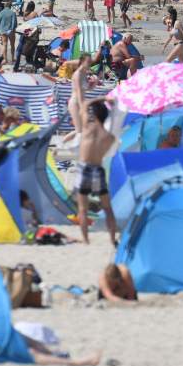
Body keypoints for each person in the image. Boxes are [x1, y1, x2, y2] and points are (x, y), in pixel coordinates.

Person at [73, 63, 117, 246]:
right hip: (98, 169)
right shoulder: (110, 137)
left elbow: (84, 106)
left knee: (82, 209)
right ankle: (112, 239)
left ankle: (85, 240)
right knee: (107, 208)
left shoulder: (87, 128)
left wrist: (100, 98)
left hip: (84, 168)